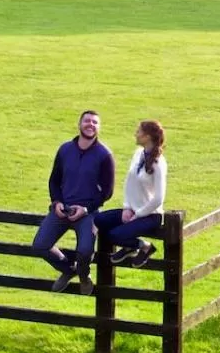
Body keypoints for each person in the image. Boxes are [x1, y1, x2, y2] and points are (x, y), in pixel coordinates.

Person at [32, 110, 116, 293]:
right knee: (40, 245)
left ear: (99, 128)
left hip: (88, 213)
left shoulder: (104, 155)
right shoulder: (65, 150)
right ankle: (68, 270)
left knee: (85, 251)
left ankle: (84, 276)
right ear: (79, 124)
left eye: (95, 122)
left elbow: (107, 192)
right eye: (87, 121)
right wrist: (57, 202)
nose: (90, 124)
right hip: (63, 210)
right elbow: (54, 180)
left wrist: (86, 209)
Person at [94, 120, 167, 269]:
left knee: (114, 235)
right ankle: (130, 247)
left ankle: (145, 247)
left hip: (150, 215)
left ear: (147, 137)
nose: (136, 134)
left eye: (139, 132)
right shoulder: (138, 154)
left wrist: (138, 214)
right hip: (133, 209)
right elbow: (129, 183)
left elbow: (159, 198)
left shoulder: (159, 163)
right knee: (100, 220)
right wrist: (127, 207)